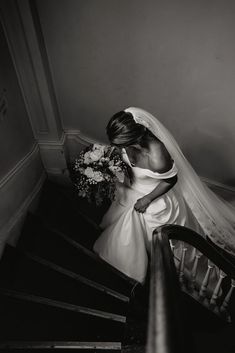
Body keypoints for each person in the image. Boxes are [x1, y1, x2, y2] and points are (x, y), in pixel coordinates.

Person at [93, 107, 235, 283]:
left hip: (155, 200)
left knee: (167, 244)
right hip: (132, 189)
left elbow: (170, 180)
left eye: (121, 145)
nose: (118, 148)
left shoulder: (158, 157)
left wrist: (147, 199)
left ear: (136, 139)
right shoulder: (130, 125)